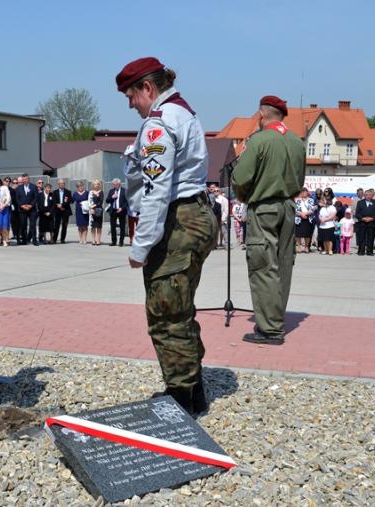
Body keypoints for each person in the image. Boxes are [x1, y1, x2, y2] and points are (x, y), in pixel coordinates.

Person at [117, 56, 218, 415]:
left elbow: (156, 191)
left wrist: (141, 246)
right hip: (196, 215)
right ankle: (193, 388)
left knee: (166, 312)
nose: (131, 105)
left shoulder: (159, 123)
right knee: (180, 308)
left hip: (180, 221)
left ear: (147, 87)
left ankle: (181, 401)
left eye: (131, 96)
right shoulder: (184, 113)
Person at [231, 95, 305, 345]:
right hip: (289, 207)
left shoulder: (259, 140)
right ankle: (276, 318)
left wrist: (243, 196)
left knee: (263, 266)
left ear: (262, 114)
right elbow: (300, 180)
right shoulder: (296, 142)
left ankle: (270, 328)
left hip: (264, 207)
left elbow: (241, 178)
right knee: (283, 265)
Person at [16, 173, 39, 245]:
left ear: (28, 179)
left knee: (33, 225)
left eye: (26, 179)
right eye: (23, 179)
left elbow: (36, 197)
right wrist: (22, 206)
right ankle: (24, 240)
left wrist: (31, 205)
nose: (24, 180)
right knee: (23, 225)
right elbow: (17, 198)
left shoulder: (34, 187)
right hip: (22, 209)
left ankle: (34, 240)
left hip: (32, 209)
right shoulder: (19, 188)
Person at [355, 188, 375, 256]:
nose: (368, 196)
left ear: (372, 195)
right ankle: (361, 251)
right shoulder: (360, 202)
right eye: (366, 195)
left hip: (372, 223)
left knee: (371, 238)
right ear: (364, 195)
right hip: (362, 222)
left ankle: (369, 251)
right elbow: (357, 213)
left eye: (369, 195)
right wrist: (362, 218)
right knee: (361, 237)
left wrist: (372, 218)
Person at [106, 178, 128, 247]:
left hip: (122, 211)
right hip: (113, 211)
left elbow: (127, 202)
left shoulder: (124, 191)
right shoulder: (111, 191)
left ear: (119, 184)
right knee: (113, 227)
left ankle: (121, 242)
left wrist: (122, 208)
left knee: (122, 227)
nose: (113, 185)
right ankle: (114, 241)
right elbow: (107, 200)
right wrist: (112, 197)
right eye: (113, 184)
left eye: (115, 184)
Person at [294, 188, 316, 253]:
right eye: (302, 192)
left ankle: (306, 246)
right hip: (299, 218)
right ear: (301, 193)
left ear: (307, 193)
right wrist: (301, 214)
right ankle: (299, 247)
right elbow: (294, 209)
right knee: (298, 234)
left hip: (308, 218)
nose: (304, 193)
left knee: (307, 234)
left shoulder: (311, 200)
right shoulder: (297, 200)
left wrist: (306, 213)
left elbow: (313, 209)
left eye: (305, 192)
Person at [51, 179, 73, 244]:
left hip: (65, 211)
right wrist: (57, 205)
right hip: (57, 211)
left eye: (63, 183)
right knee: (56, 226)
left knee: (64, 226)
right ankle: (54, 239)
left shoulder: (68, 192)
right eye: (60, 183)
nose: (62, 184)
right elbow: (53, 201)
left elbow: (69, 201)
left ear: (64, 184)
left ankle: (62, 239)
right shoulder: (54, 192)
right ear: (58, 184)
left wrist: (62, 205)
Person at [87, 179, 104, 246]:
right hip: (92, 210)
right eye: (95, 184)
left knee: (99, 226)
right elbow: (89, 201)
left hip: (98, 210)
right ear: (93, 185)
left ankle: (98, 240)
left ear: (99, 185)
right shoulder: (91, 192)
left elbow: (101, 201)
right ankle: (93, 240)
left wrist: (94, 205)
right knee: (93, 226)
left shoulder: (101, 192)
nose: (96, 185)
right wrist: (90, 207)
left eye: (97, 184)